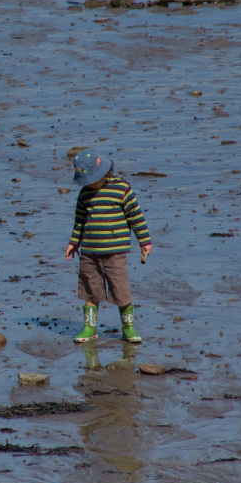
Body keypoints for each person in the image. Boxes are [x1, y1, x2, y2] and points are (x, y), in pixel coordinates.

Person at [65, 147, 152, 344]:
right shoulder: (84, 194)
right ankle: (89, 328)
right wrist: (73, 242)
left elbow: (136, 216)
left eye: (91, 179)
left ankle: (128, 328)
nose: (89, 184)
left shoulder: (121, 189)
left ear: (103, 171)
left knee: (120, 290)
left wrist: (144, 241)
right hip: (89, 252)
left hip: (115, 252)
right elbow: (79, 221)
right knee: (90, 289)